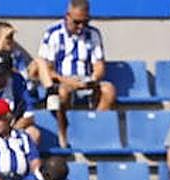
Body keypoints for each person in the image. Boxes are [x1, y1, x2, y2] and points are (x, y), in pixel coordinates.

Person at [37, 0, 118, 148]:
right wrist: (66, 81)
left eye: (85, 22)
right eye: (77, 22)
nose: (81, 27)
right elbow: (46, 68)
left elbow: (99, 65)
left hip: (86, 80)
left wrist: (92, 79)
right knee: (61, 93)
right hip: (62, 80)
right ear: (67, 16)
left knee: (109, 90)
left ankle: (94, 130)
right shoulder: (53, 33)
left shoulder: (93, 33)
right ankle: (64, 134)